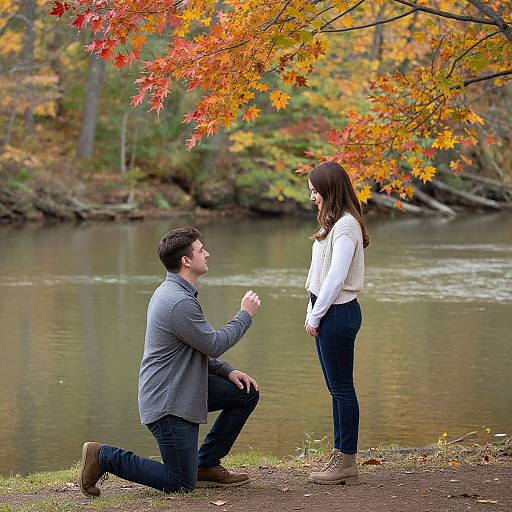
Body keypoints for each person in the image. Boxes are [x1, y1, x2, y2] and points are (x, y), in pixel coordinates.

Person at [78, 228, 261, 497]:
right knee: (179, 482)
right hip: (169, 402)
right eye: (201, 250)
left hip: (184, 388)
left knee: (245, 393)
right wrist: (245, 315)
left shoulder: (177, 293)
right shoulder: (177, 301)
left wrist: (228, 370)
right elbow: (214, 344)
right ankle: (103, 456)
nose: (206, 253)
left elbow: (192, 349)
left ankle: (206, 464)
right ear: (186, 261)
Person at [304, 161, 369, 485]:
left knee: (342, 388)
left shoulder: (346, 226)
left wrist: (316, 315)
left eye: (316, 191)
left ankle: (346, 460)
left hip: (338, 313)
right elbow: (318, 276)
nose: (313, 196)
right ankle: (340, 454)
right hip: (325, 309)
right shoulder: (332, 224)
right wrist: (310, 309)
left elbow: (336, 277)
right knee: (336, 388)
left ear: (329, 190)